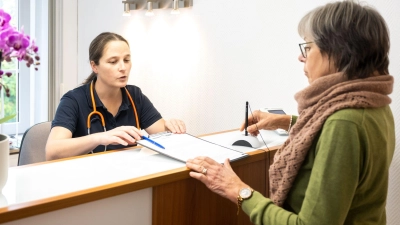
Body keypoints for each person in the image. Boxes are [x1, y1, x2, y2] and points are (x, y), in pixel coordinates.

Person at [186, 1, 395, 224]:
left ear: (338, 51)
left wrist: (238, 190)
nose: (301, 57)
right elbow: (330, 138)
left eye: (308, 47)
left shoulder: (344, 122)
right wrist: (286, 121)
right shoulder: (373, 102)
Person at [46, 32, 186, 160]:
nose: (123, 67)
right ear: (94, 66)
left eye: (126, 60)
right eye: (113, 62)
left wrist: (171, 128)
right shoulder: (74, 100)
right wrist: (100, 138)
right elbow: (52, 151)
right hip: (86, 179)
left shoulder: (135, 95)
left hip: (125, 177)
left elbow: (163, 136)